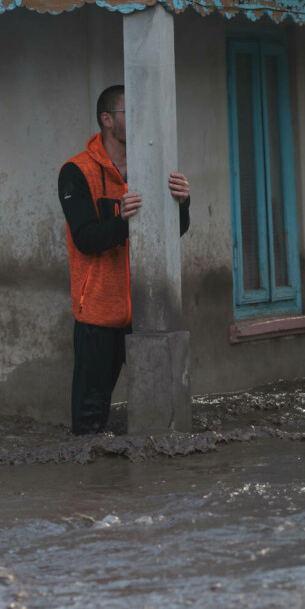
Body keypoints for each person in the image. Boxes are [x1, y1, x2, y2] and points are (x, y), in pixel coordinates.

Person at [58, 84, 191, 435]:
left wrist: (182, 201)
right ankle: (90, 488)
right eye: (129, 113)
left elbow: (172, 232)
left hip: (147, 310)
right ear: (107, 120)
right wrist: (122, 223)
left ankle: (146, 487)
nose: (140, 121)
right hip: (99, 314)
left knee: (162, 418)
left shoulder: (151, 168)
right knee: (89, 422)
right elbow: (85, 239)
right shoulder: (76, 171)